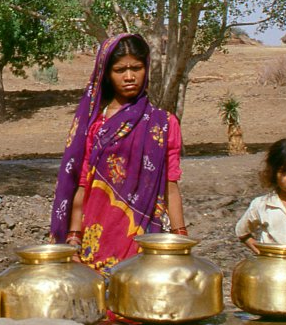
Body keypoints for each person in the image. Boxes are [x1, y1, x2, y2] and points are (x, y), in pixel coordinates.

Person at [50, 34, 186, 274]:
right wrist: (73, 238)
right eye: (120, 70)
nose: (130, 76)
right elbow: (83, 185)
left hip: (143, 238)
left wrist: (180, 239)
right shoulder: (96, 125)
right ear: (106, 74)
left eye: (137, 67)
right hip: (96, 234)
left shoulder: (163, 124)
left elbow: (171, 186)